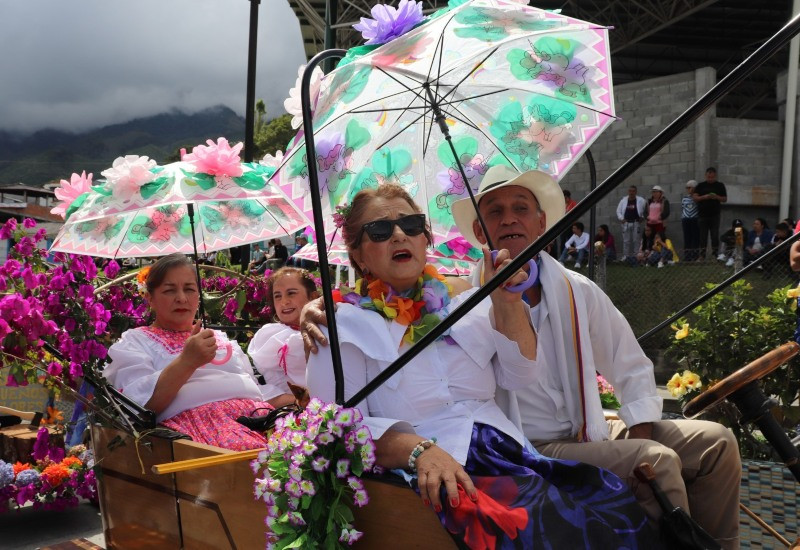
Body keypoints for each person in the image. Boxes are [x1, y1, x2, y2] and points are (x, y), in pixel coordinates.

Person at [306, 181, 656, 548]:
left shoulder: (467, 302)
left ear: (425, 239)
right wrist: (417, 449)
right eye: (380, 230)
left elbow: (521, 374)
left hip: (507, 454)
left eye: (411, 225)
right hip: (432, 472)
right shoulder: (339, 325)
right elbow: (336, 428)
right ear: (358, 255)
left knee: (613, 505)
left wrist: (507, 304)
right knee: (541, 526)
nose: (399, 235)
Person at [447, 167, 740, 549]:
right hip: (529, 448)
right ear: (479, 230)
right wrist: (638, 454)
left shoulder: (576, 289)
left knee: (717, 443)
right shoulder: (462, 306)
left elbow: (628, 362)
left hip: (589, 431)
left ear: (541, 223)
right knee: (657, 460)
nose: (509, 219)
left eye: (520, 208)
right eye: (495, 212)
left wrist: (637, 435)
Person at [103, 254, 275, 451]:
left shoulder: (218, 337)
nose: (181, 298)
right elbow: (139, 408)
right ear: (150, 298)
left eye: (189, 289)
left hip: (258, 418)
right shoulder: (135, 342)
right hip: (202, 431)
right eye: (169, 290)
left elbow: (254, 388)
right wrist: (187, 362)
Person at [249, 267, 318, 408]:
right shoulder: (271, 337)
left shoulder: (330, 327)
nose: (284, 301)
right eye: (277, 296)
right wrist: (299, 402)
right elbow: (265, 392)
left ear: (313, 297)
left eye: (291, 293)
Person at [693, 167, 727, 259]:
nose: (710, 179)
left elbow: (724, 199)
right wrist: (704, 197)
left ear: (715, 176)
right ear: (706, 175)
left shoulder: (720, 185)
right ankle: (702, 255)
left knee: (714, 236)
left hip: (715, 215)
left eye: (712, 177)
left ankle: (715, 255)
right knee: (702, 237)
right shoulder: (700, 185)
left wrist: (716, 197)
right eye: (709, 177)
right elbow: (695, 198)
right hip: (702, 215)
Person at [616, 185, 647, 263]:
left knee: (636, 240)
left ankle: (636, 256)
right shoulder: (623, 200)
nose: (631, 193)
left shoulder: (641, 200)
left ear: (636, 192)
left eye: (633, 191)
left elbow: (646, 210)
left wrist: (642, 217)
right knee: (626, 241)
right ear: (628, 191)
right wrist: (621, 218)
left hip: (636, 222)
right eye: (630, 191)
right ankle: (625, 256)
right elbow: (618, 211)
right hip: (626, 223)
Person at [681, 180, 700, 261]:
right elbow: (683, 207)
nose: (688, 189)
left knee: (695, 238)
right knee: (687, 238)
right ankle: (687, 257)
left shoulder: (698, 198)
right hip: (686, 219)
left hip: (695, 219)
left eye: (690, 187)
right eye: (687, 188)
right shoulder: (685, 198)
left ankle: (695, 256)